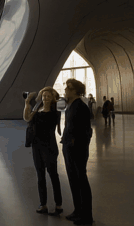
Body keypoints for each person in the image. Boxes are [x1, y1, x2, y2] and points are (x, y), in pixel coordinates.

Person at [25, 87, 63, 215]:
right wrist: (27, 104)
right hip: (37, 147)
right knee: (40, 176)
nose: (45, 98)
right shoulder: (37, 112)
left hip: (49, 147)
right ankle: (43, 204)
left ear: (52, 98)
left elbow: (52, 127)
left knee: (53, 176)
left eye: (47, 96)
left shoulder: (55, 114)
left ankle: (58, 205)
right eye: (43, 96)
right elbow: (26, 118)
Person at [61, 79, 93, 225]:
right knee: (73, 181)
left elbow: (87, 131)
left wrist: (76, 144)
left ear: (75, 91)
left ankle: (86, 216)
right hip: (69, 147)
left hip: (77, 149)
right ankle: (78, 211)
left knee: (81, 181)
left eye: (68, 87)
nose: (65, 90)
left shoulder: (81, 107)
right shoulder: (70, 106)